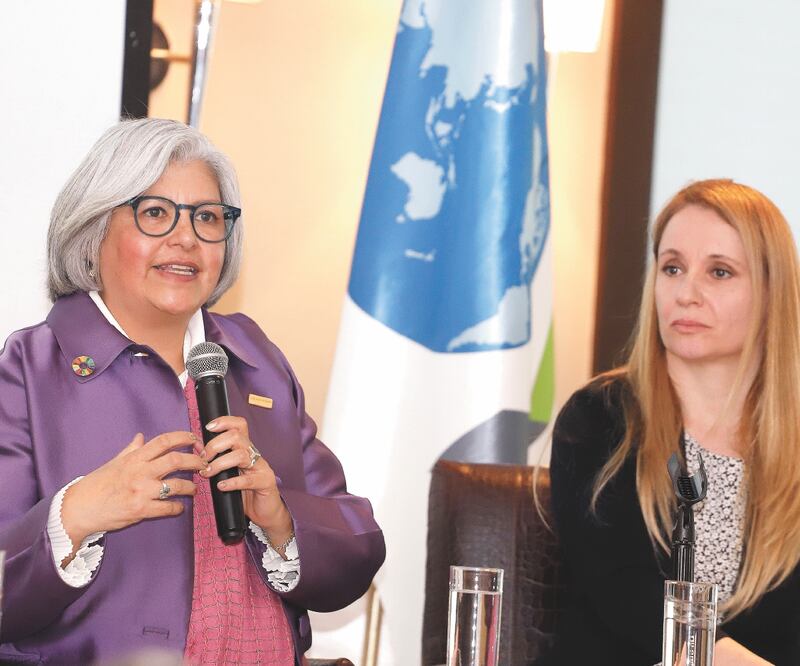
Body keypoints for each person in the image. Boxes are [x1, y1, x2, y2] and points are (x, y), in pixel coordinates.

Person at [0, 118, 385, 665]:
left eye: (207, 217)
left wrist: (279, 517)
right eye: (155, 213)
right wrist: (77, 514)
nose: (187, 238)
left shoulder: (257, 362)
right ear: (94, 230)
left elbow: (358, 546)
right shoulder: (27, 372)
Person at [545, 179, 800, 665]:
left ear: (773, 292)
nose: (687, 292)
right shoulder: (600, 416)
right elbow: (622, 591)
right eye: (673, 267)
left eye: (720, 272)